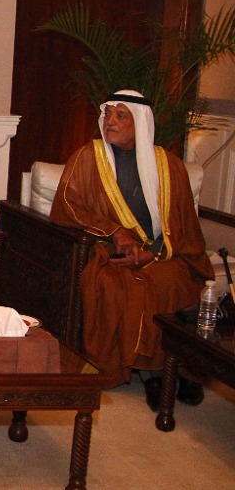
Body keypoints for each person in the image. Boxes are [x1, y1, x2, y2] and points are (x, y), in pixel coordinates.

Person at [49, 90, 212, 407]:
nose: (110, 121)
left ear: (140, 123)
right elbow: (67, 206)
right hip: (112, 253)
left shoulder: (170, 166)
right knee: (115, 285)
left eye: (120, 116)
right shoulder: (89, 157)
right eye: (108, 114)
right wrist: (115, 232)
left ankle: (175, 371)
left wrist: (154, 251)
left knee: (175, 281)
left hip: (162, 253)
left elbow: (182, 224)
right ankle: (149, 374)